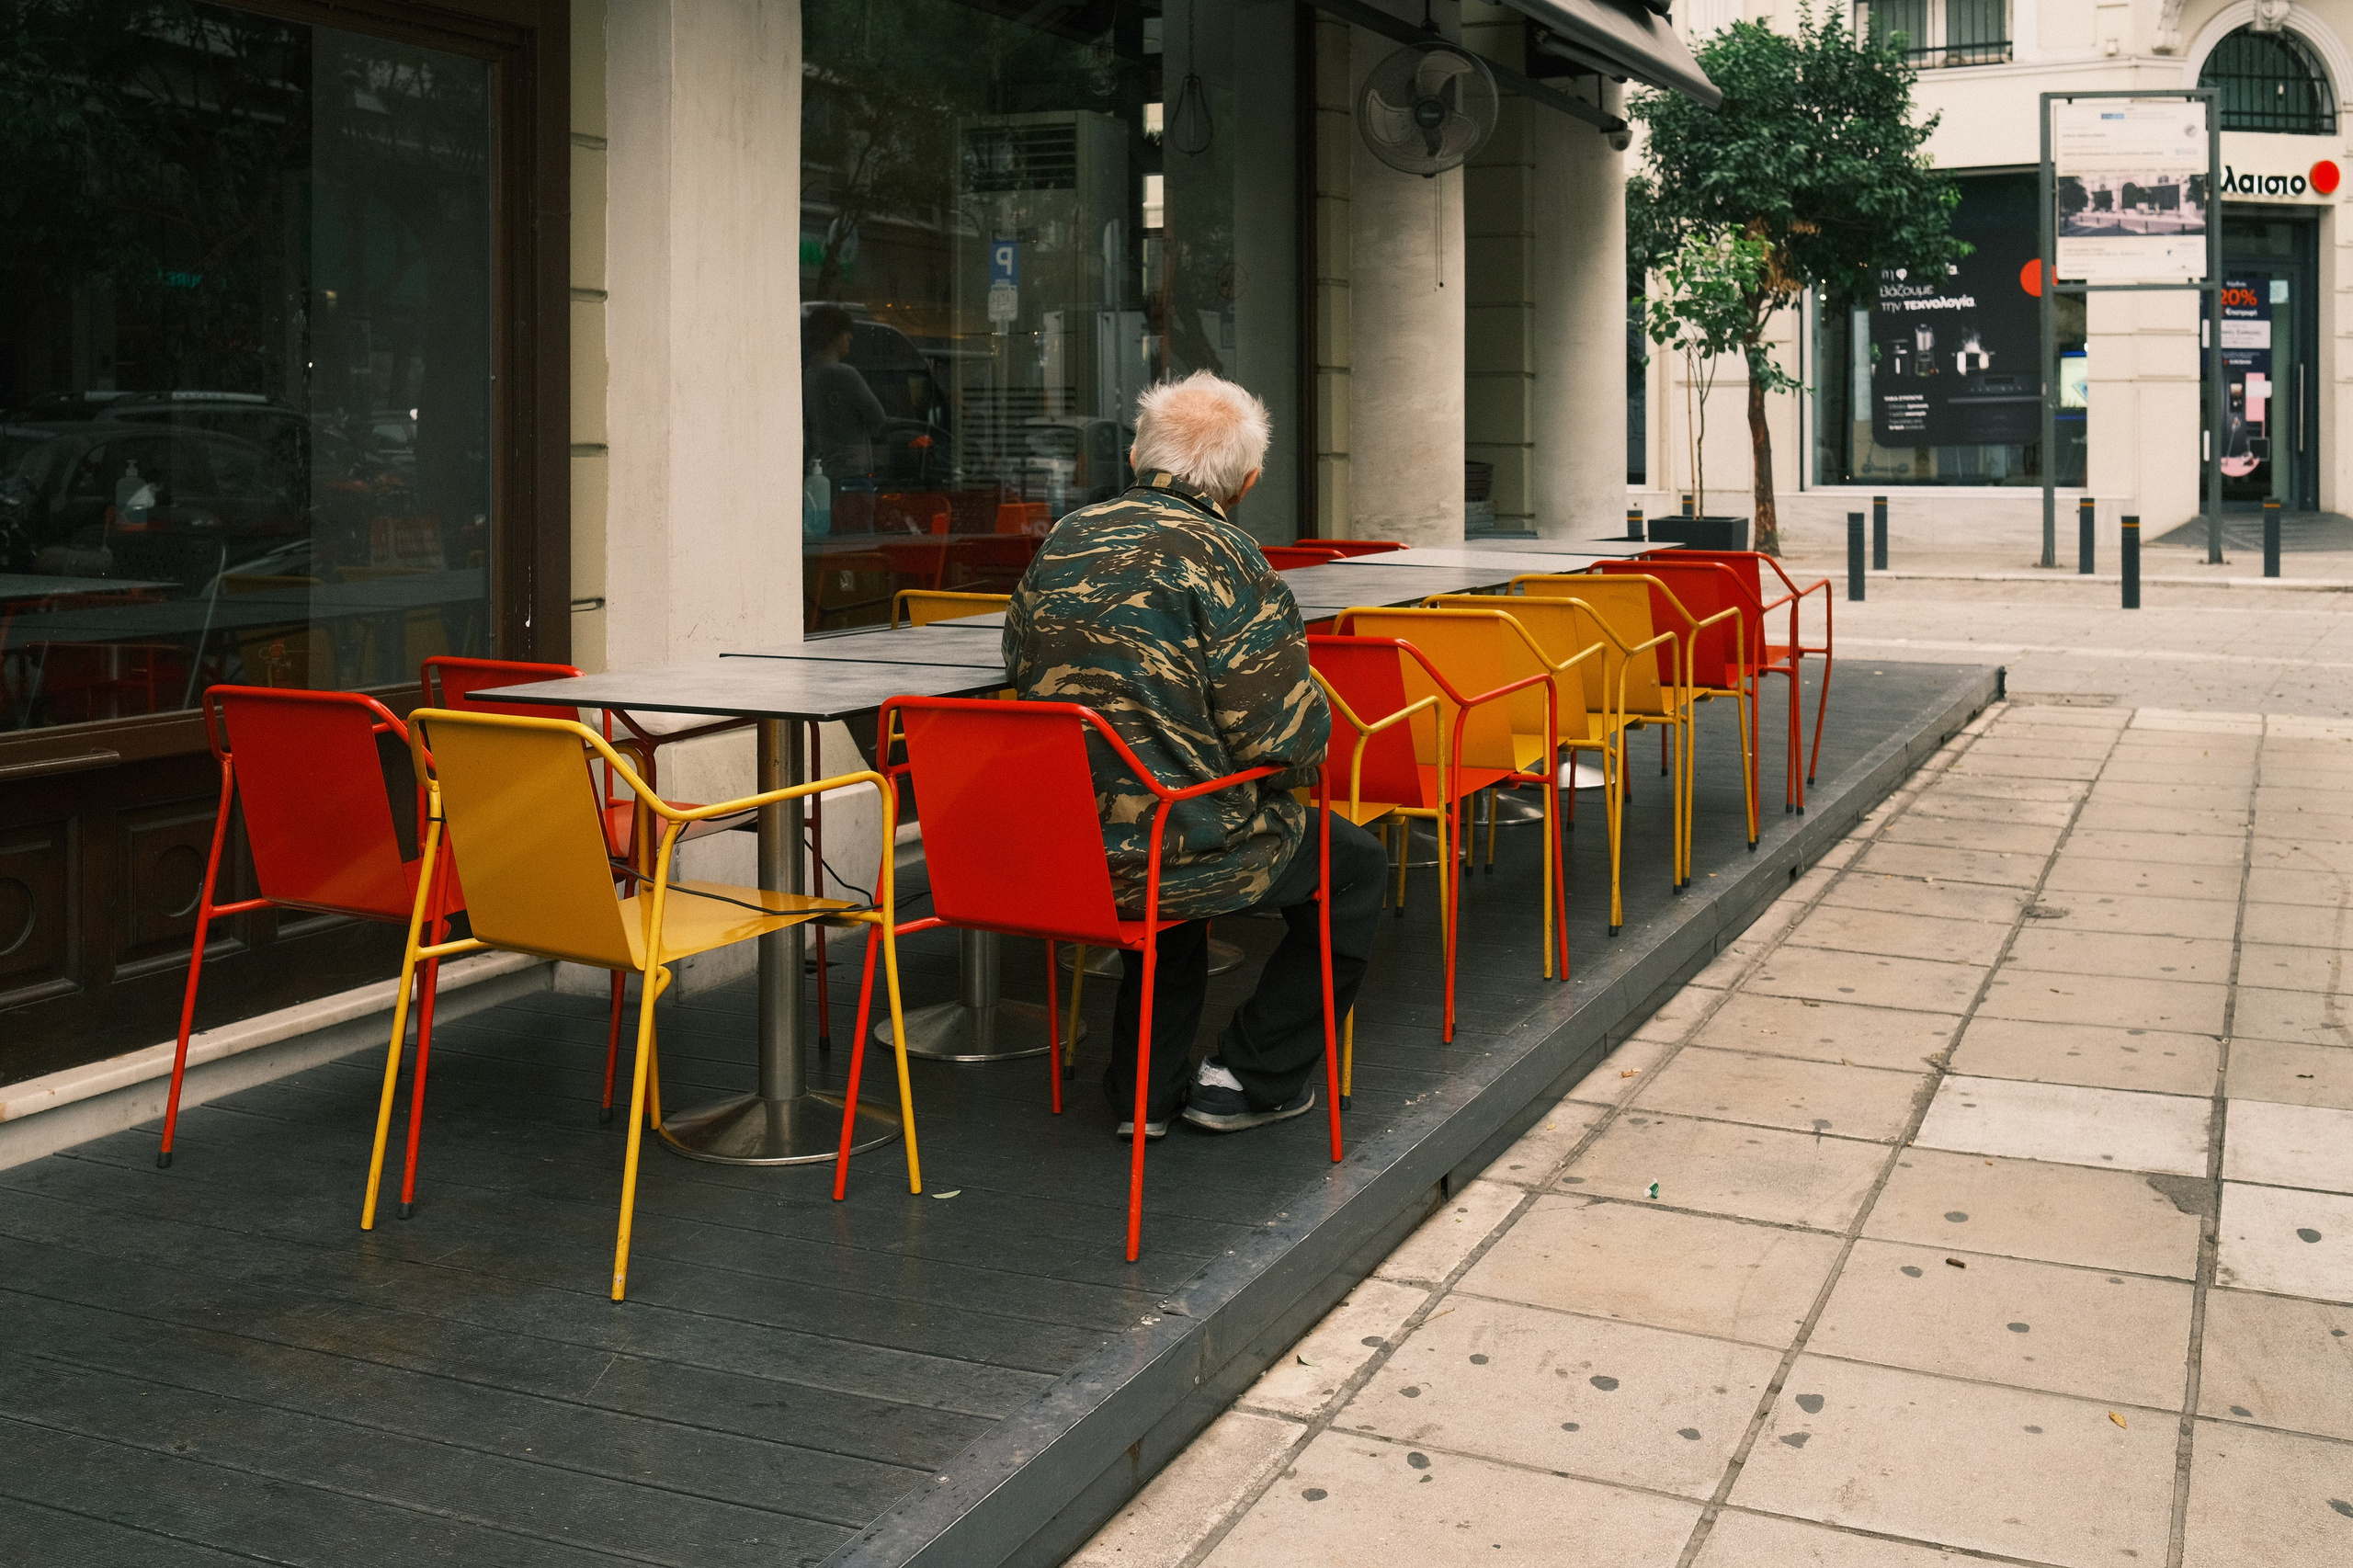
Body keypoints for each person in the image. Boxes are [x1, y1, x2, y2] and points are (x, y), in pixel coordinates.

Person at [1002, 371, 1387, 1137]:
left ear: (1139, 452)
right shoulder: (1232, 560)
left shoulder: (1061, 541)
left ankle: (1140, 1097)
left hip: (1066, 847)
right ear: (1246, 482)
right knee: (1353, 867)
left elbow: (1018, 670)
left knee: (1167, 816)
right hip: (1176, 845)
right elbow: (1284, 737)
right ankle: (1252, 1076)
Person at [801, 304, 889, 483]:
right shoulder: (844, 374)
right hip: (852, 472)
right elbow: (878, 417)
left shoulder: (809, 375)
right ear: (832, 335)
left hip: (820, 470)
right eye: (845, 332)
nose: (850, 337)